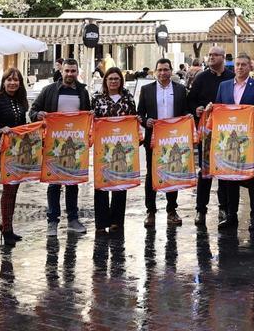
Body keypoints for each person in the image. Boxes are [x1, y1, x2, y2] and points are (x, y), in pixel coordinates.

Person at [30, 57, 91, 236]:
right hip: (54, 144)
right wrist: (38, 114)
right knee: (54, 184)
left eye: (73, 71)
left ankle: (73, 219)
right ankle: (52, 221)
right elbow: (33, 111)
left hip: (75, 146)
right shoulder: (49, 90)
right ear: (61, 71)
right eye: (67, 71)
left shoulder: (82, 92)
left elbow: (87, 116)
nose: (70, 74)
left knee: (73, 182)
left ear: (77, 72)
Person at [212, 52, 254, 231]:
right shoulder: (224, 86)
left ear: (250, 67)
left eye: (244, 64)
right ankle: (231, 216)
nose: (240, 67)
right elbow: (218, 110)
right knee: (230, 180)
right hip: (229, 142)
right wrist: (209, 109)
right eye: (237, 64)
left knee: (253, 181)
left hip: (250, 142)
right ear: (233, 66)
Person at [137, 58, 189, 227]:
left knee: (172, 173)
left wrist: (188, 116)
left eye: (166, 69)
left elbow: (185, 111)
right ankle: (150, 211)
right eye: (159, 70)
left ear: (171, 70)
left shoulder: (181, 90)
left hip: (174, 140)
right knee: (151, 175)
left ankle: (171, 210)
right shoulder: (146, 90)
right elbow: (140, 114)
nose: (163, 73)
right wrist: (146, 121)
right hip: (154, 139)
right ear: (155, 71)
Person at [188, 45, 235, 227]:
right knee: (205, 172)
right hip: (207, 131)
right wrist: (196, 109)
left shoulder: (231, 77)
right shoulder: (201, 77)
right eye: (210, 55)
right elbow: (190, 100)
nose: (211, 58)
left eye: (215, 55)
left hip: (225, 131)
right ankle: (201, 209)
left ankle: (224, 208)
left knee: (223, 170)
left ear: (223, 57)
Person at [0, 67, 30, 246]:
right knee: (9, 187)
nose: (12, 83)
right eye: (9, 80)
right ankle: (7, 230)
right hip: (3, 149)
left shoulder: (22, 102)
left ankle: (6, 224)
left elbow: (21, 125)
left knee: (14, 188)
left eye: (16, 80)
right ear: (3, 82)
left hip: (19, 150)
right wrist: (0, 130)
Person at [92, 67, 137, 233]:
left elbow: (133, 117)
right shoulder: (97, 98)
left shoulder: (128, 97)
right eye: (110, 79)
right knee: (101, 183)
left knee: (120, 182)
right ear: (105, 81)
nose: (113, 82)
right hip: (103, 146)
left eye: (116, 79)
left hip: (122, 146)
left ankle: (116, 220)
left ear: (121, 81)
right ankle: (101, 222)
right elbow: (92, 119)